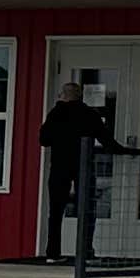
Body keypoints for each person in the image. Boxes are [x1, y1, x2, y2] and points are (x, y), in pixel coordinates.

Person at [36, 78, 100, 260]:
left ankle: (53, 253)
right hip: (84, 166)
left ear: (63, 96)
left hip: (60, 167)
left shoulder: (55, 114)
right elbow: (105, 138)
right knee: (87, 210)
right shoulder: (89, 114)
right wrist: (125, 150)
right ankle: (86, 251)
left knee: (56, 212)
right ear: (80, 97)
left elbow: (44, 140)